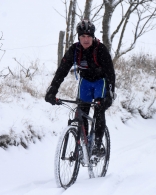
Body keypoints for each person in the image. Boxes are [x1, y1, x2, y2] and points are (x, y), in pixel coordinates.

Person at [45, 19, 116, 156]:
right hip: (85, 82)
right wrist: (52, 90)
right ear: (78, 37)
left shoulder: (100, 50)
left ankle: (97, 143)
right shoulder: (75, 50)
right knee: (81, 111)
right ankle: (83, 144)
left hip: (100, 82)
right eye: (83, 36)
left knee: (99, 110)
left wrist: (110, 94)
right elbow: (62, 71)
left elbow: (110, 73)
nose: (86, 39)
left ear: (93, 36)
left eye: (89, 36)